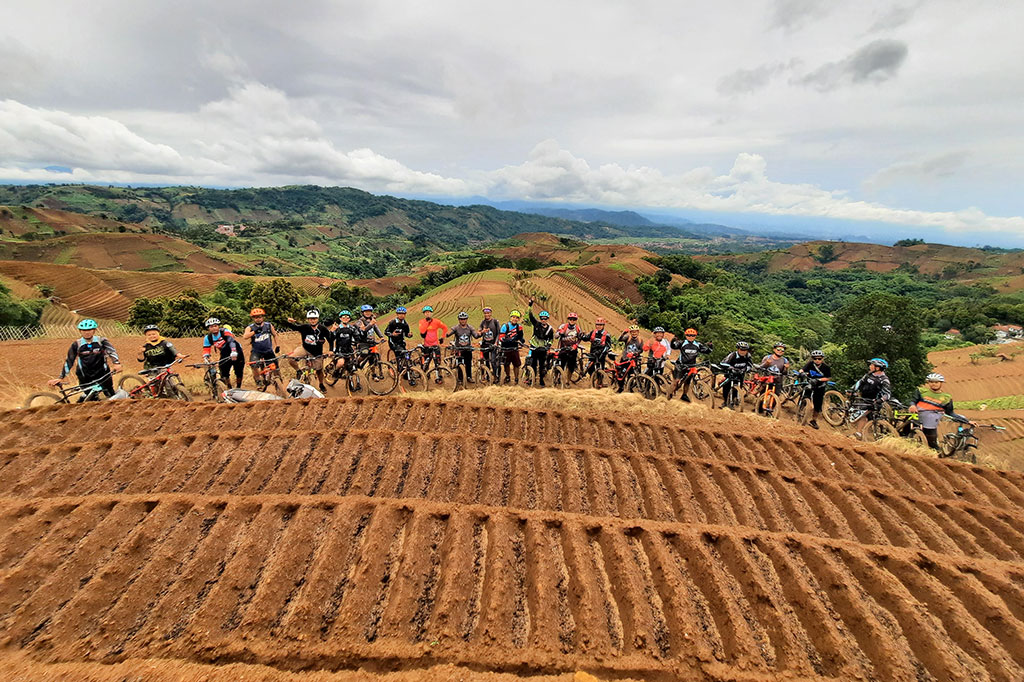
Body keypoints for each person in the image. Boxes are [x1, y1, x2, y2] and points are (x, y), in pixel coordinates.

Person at [49, 319, 122, 398]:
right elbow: (69, 361)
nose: (87, 332)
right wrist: (61, 377)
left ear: (94, 330)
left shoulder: (101, 341)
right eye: (84, 330)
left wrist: (116, 363)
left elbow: (112, 351)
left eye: (89, 330)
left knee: (110, 394)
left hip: (102, 373)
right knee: (91, 399)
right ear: (80, 331)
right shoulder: (77, 344)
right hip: (85, 376)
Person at [910, 373, 973, 450]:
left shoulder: (946, 398)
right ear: (928, 383)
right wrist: (912, 405)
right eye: (931, 382)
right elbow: (913, 401)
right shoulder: (921, 391)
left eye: (936, 382)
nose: (934, 384)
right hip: (916, 415)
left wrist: (967, 421)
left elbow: (950, 413)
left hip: (931, 420)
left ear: (941, 383)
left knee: (932, 443)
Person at [283, 309, 332, 391]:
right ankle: (298, 371)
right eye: (311, 319)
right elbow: (293, 327)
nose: (313, 321)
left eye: (314, 318)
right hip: (305, 348)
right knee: (290, 358)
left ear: (318, 319)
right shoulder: (304, 327)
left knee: (319, 370)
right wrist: (288, 321)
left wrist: (330, 350)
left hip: (317, 352)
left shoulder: (323, 329)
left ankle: (321, 384)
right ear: (308, 319)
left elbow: (330, 340)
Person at [851, 358, 892, 437]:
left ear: (878, 368)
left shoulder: (884, 380)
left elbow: (887, 394)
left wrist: (881, 400)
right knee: (856, 413)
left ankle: (859, 433)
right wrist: (852, 389)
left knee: (863, 416)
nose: (870, 366)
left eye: (872, 365)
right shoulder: (869, 374)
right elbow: (860, 382)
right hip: (863, 398)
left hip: (874, 402)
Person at [670, 327, 712, 402]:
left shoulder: (697, 344)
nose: (691, 337)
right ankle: (669, 395)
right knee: (676, 381)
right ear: (686, 336)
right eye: (689, 335)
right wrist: (673, 341)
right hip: (681, 365)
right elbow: (673, 346)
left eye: (693, 335)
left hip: (691, 366)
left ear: (695, 336)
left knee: (687, 382)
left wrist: (710, 347)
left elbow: (706, 351)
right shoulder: (682, 343)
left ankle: (684, 395)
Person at [202, 317, 245, 389]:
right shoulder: (208, 338)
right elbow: (206, 349)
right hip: (225, 354)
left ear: (219, 326)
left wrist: (233, 351)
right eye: (211, 327)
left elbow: (231, 341)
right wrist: (206, 357)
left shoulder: (225, 331)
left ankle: (238, 387)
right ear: (208, 328)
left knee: (239, 371)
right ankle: (229, 387)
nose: (214, 328)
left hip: (236, 350)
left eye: (215, 326)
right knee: (223, 372)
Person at [242, 307, 279, 383]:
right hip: (256, 351)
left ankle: (278, 380)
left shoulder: (268, 325)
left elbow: (275, 335)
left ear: (263, 317)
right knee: (254, 366)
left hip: (268, 350)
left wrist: (277, 345)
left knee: (275, 366)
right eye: (256, 317)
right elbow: (245, 336)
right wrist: (254, 332)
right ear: (253, 318)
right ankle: (258, 381)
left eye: (259, 317)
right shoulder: (250, 327)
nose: (258, 319)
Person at [799, 349, 832, 429]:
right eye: (815, 359)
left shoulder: (826, 368)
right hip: (810, 383)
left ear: (822, 359)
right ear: (812, 359)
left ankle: (814, 420)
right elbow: (802, 369)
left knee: (818, 404)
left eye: (819, 359)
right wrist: (801, 372)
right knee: (805, 395)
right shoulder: (810, 364)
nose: (817, 360)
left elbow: (828, 378)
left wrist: (819, 380)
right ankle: (800, 410)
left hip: (820, 386)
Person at [526, 298, 555, 387]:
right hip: (534, 347)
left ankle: (541, 380)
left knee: (542, 366)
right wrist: (530, 305)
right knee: (533, 364)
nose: (543, 320)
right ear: (540, 319)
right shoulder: (536, 324)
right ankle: (533, 379)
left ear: (547, 319)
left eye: (545, 318)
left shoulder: (550, 329)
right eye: (542, 318)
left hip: (543, 349)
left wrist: (548, 346)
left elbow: (551, 339)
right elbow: (530, 316)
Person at [718, 341, 756, 408]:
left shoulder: (748, 356)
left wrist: (745, 369)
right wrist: (730, 368)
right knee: (726, 388)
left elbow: (750, 365)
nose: (743, 352)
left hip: (740, 374)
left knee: (738, 388)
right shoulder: (732, 355)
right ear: (738, 349)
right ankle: (725, 401)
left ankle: (733, 400)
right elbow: (722, 363)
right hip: (730, 373)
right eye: (741, 349)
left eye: (745, 350)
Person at [447, 311, 481, 381]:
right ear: (459, 320)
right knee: (459, 363)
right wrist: (446, 334)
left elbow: (476, 336)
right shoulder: (456, 328)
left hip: (467, 349)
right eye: (461, 319)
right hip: (459, 349)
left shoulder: (470, 328)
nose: (463, 320)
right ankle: (460, 378)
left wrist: (482, 333)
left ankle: (469, 377)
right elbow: (449, 333)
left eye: (464, 319)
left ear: (466, 319)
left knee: (468, 363)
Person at [498, 310, 526, 384]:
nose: (515, 319)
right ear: (511, 318)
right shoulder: (505, 326)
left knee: (516, 364)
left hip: (514, 348)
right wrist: (508, 340)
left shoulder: (519, 327)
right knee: (506, 364)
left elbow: (521, 337)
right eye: (513, 317)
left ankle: (516, 378)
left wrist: (522, 340)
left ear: (518, 319)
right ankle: (507, 376)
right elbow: (501, 337)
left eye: (517, 318)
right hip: (506, 348)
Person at [418, 305, 448, 374]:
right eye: (426, 312)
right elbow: (422, 332)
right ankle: (426, 376)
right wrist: (427, 323)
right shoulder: (421, 322)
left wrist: (442, 337)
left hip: (435, 345)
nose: (427, 314)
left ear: (431, 313)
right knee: (426, 363)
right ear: (424, 314)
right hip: (426, 346)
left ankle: (439, 377)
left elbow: (445, 328)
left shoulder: (436, 321)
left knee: (438, 362)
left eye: (429, 312)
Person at [555, 312, 582, 379]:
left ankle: (568, 380)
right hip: (563, 347)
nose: (572, 321)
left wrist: (576, 345)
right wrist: (560, 333)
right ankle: (558, 378)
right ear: (568, 319)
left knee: (571, 366)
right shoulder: (563, 326)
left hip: (572, 349)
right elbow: (555, 336)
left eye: (574, 319)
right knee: (561, 364)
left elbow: (579, 338)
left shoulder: (578, 329)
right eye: (570, 319)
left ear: (576, 320)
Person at [478, 306, 501, 381]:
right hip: (485, 344)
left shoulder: (495, 322)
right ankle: (487, 376)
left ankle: (495, 376)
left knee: (493, 361)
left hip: (493, 344)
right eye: (485, 313)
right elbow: (479, 333)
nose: (486, 314)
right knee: (486, 361)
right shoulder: (482, 322)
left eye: (488, 313)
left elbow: (498, 333)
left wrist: (496, 343)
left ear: (491, 313)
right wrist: (482, 331)